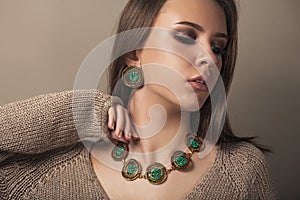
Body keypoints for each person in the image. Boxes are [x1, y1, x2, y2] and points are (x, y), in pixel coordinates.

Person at [0, 0, 276, 199]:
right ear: (134, 51)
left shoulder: (241, 172)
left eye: (218, 47)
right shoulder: (43, 176)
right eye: (186, 36)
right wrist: (86, 109)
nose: (210, 57)